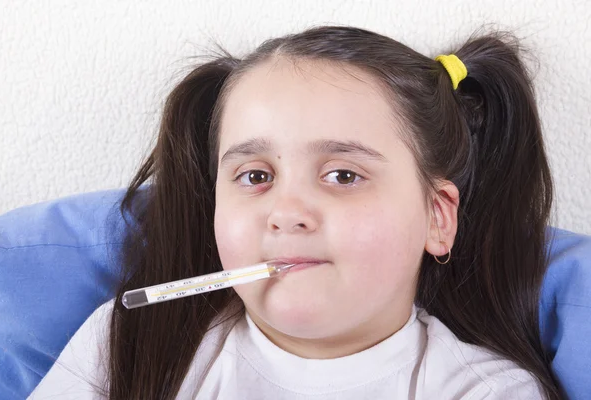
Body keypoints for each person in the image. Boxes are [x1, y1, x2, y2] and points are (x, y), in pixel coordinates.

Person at [28, 25, 563, 399]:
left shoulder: (486, 392)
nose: (286, 213)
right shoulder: (125, 343)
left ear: (437, 216)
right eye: (255, 176)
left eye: (343, 176)